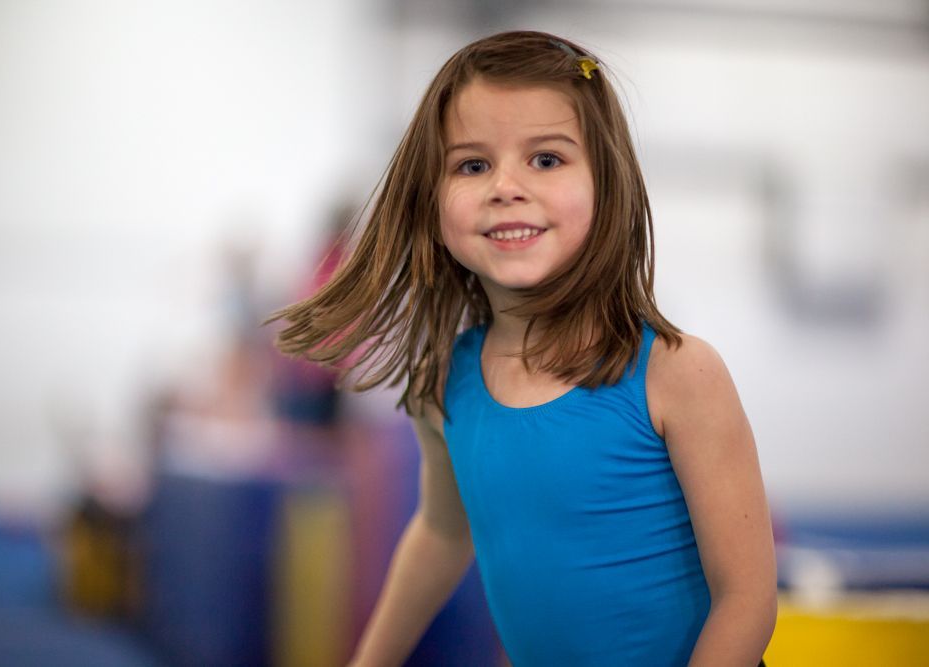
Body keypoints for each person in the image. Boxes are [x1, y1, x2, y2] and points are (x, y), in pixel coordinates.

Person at [269, 30, 776, 667]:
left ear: (605, 182)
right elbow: (442, 531)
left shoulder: (677, 373)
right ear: (432, 200)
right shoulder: (444, 381)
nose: (506, 186)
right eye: (472, 164)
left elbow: (747, 603)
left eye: (546, 159)